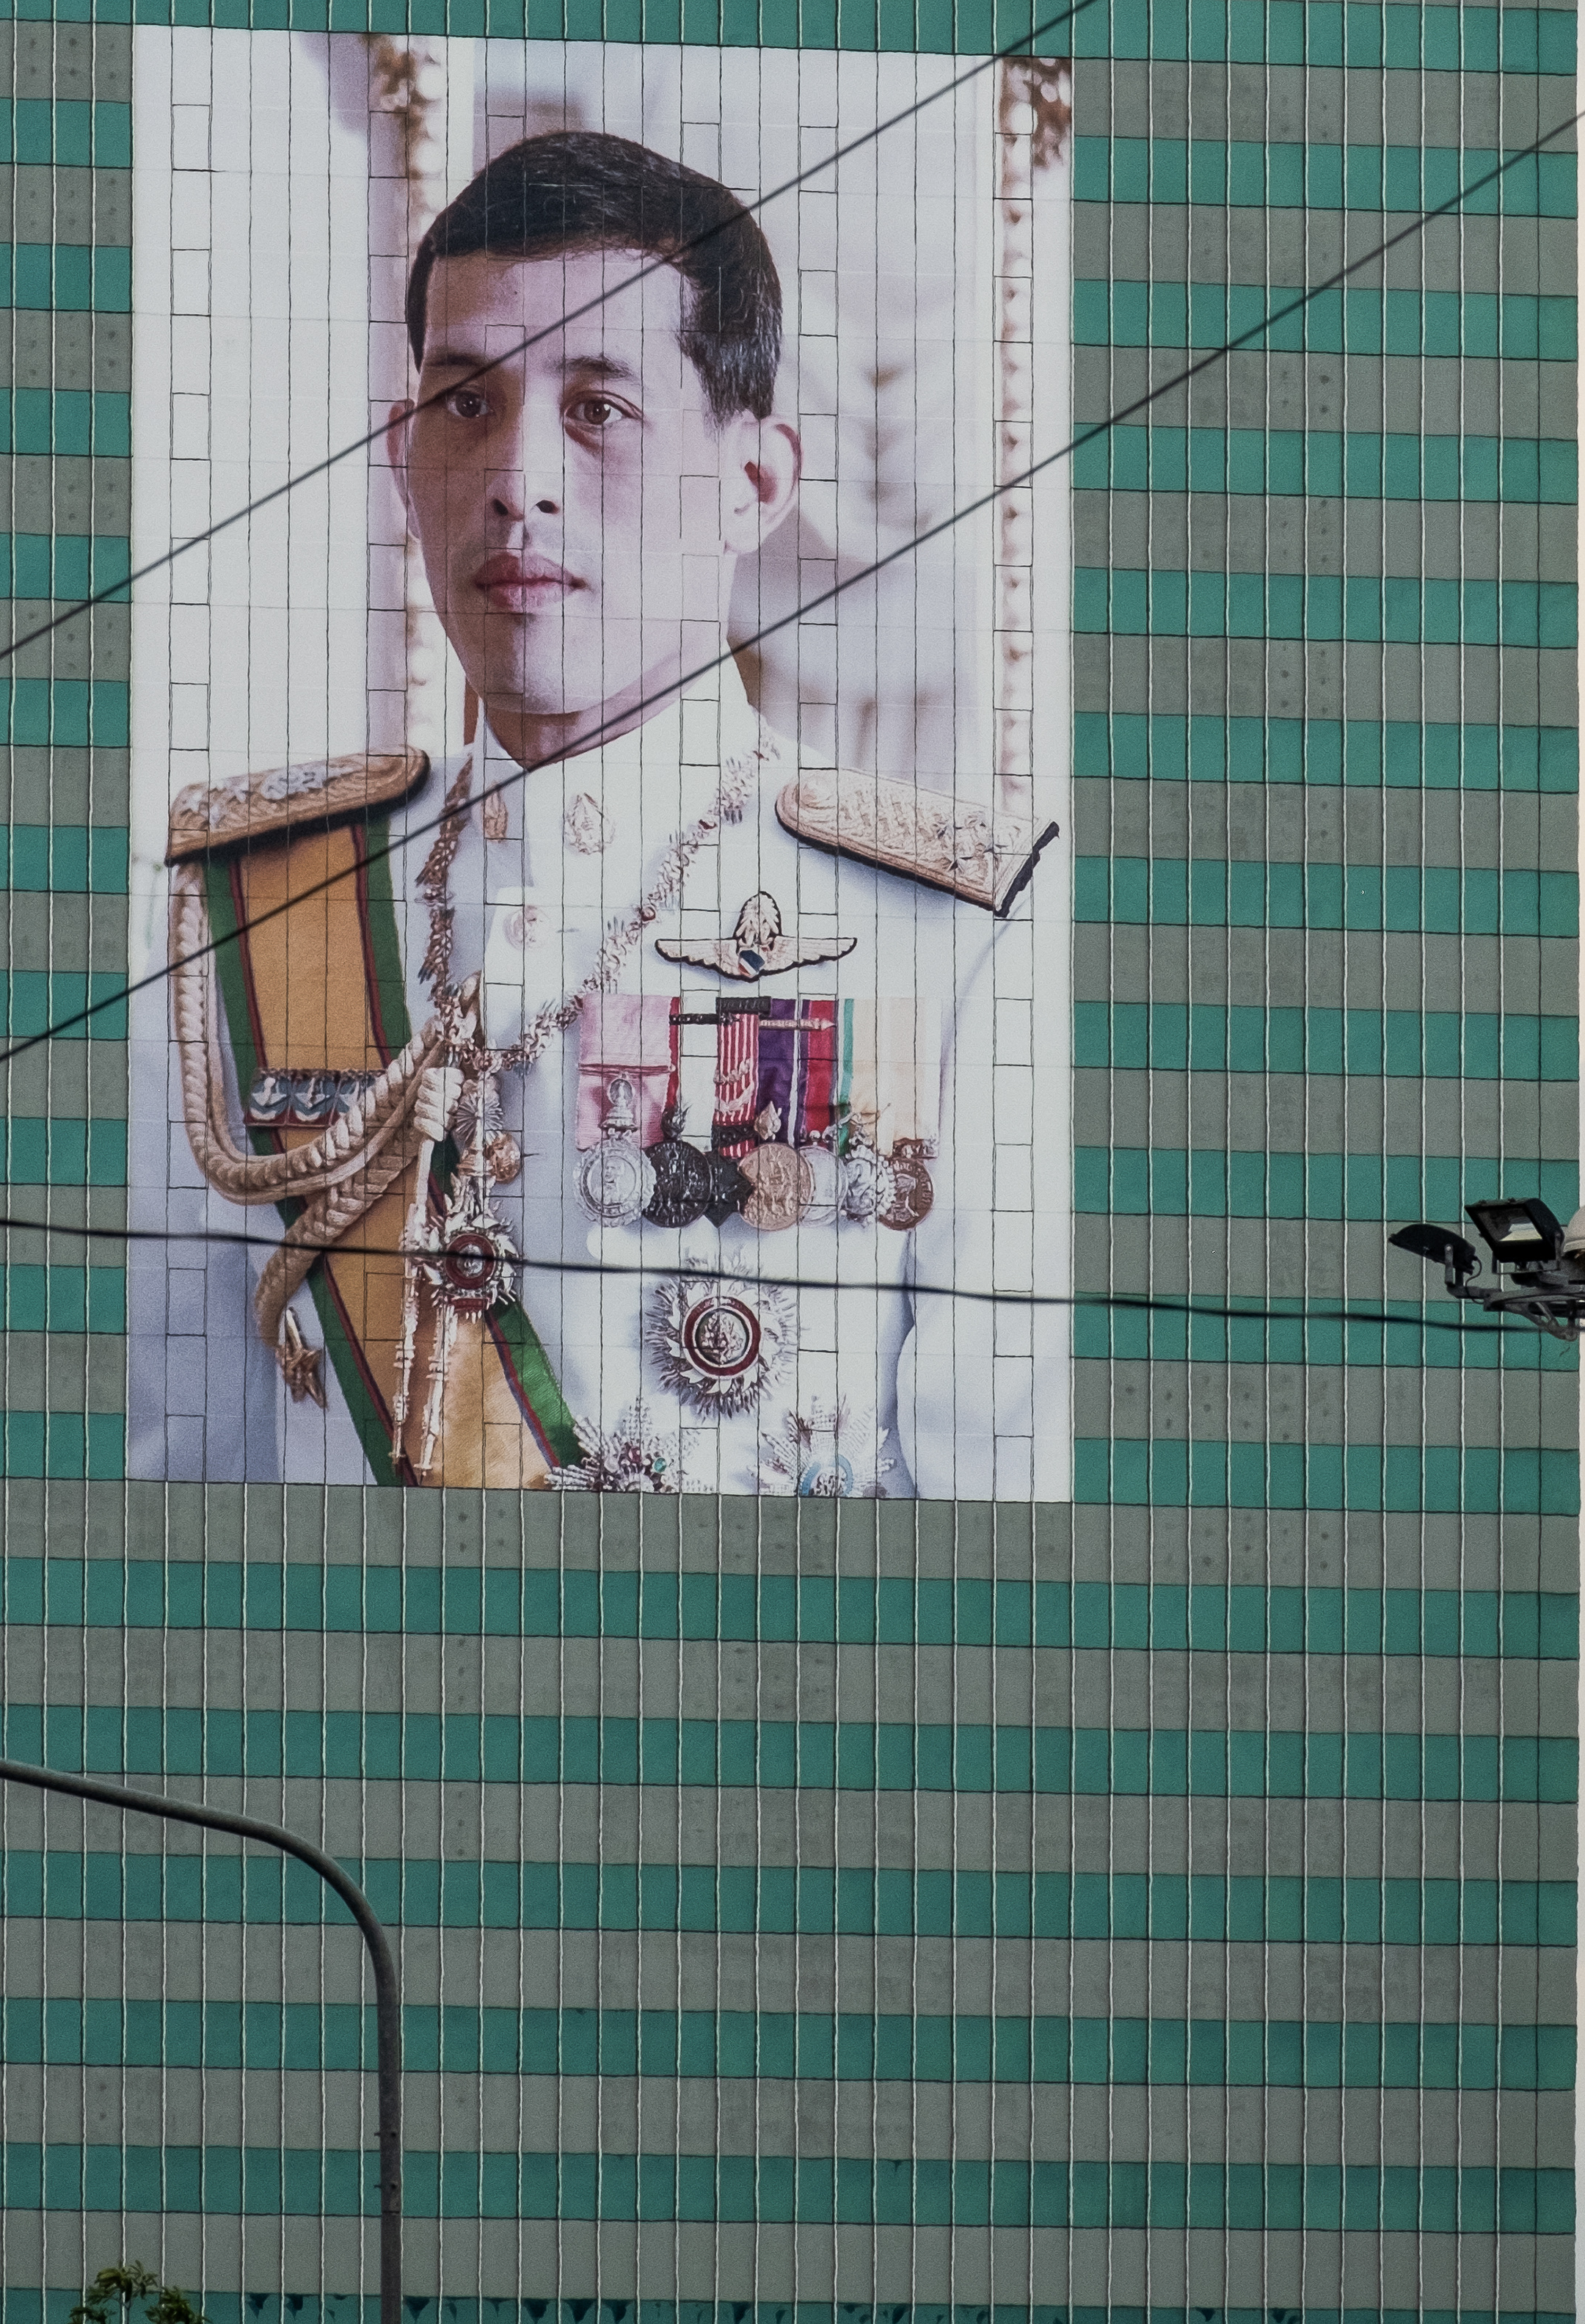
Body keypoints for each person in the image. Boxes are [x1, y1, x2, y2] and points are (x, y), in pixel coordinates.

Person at [133, 128, 1049, 1493]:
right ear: (403, 458)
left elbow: (993, 1530)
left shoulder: (957, 934)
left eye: (598, 408)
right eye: (467, 404)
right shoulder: (242, 916)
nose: (519, 478)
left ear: (754, 484)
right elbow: (179, 1488)